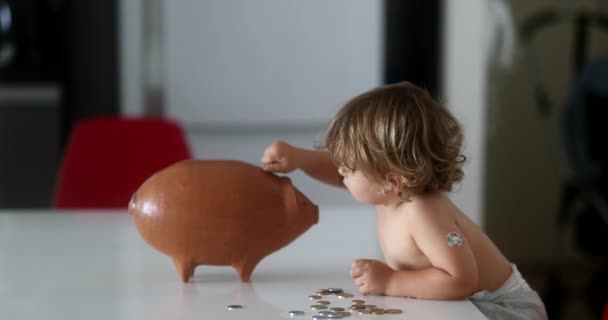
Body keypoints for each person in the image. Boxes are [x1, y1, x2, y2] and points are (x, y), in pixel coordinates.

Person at [260, 81, 547, 319]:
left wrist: (390, 281)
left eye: (347, 168)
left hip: (502, 309)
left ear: (392, 180)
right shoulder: (388, 192)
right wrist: (298, 158)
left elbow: (460, 279)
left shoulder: (422, 213)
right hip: (464, 301)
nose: (339, 172)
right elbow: (338, 172)